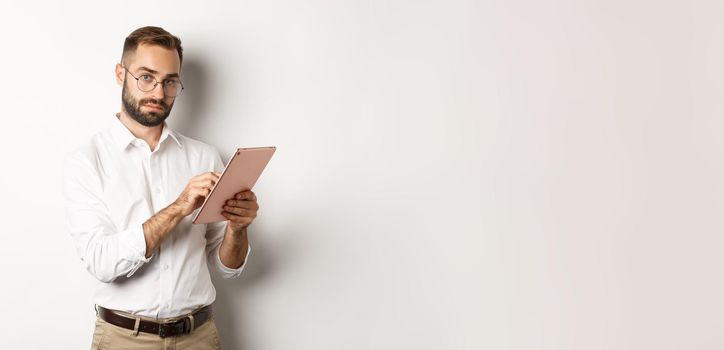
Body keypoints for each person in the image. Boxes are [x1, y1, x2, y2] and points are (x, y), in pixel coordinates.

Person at [62, 26, 258, 350]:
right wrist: (179, 206)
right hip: (123, 340)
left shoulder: (205, 156)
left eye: (170, 81)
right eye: (146, 77)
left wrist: (238, 226)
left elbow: (228, 268)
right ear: (120, 74)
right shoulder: (86, 161)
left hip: (199, 337)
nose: (158, 92)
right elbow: (101, 262)